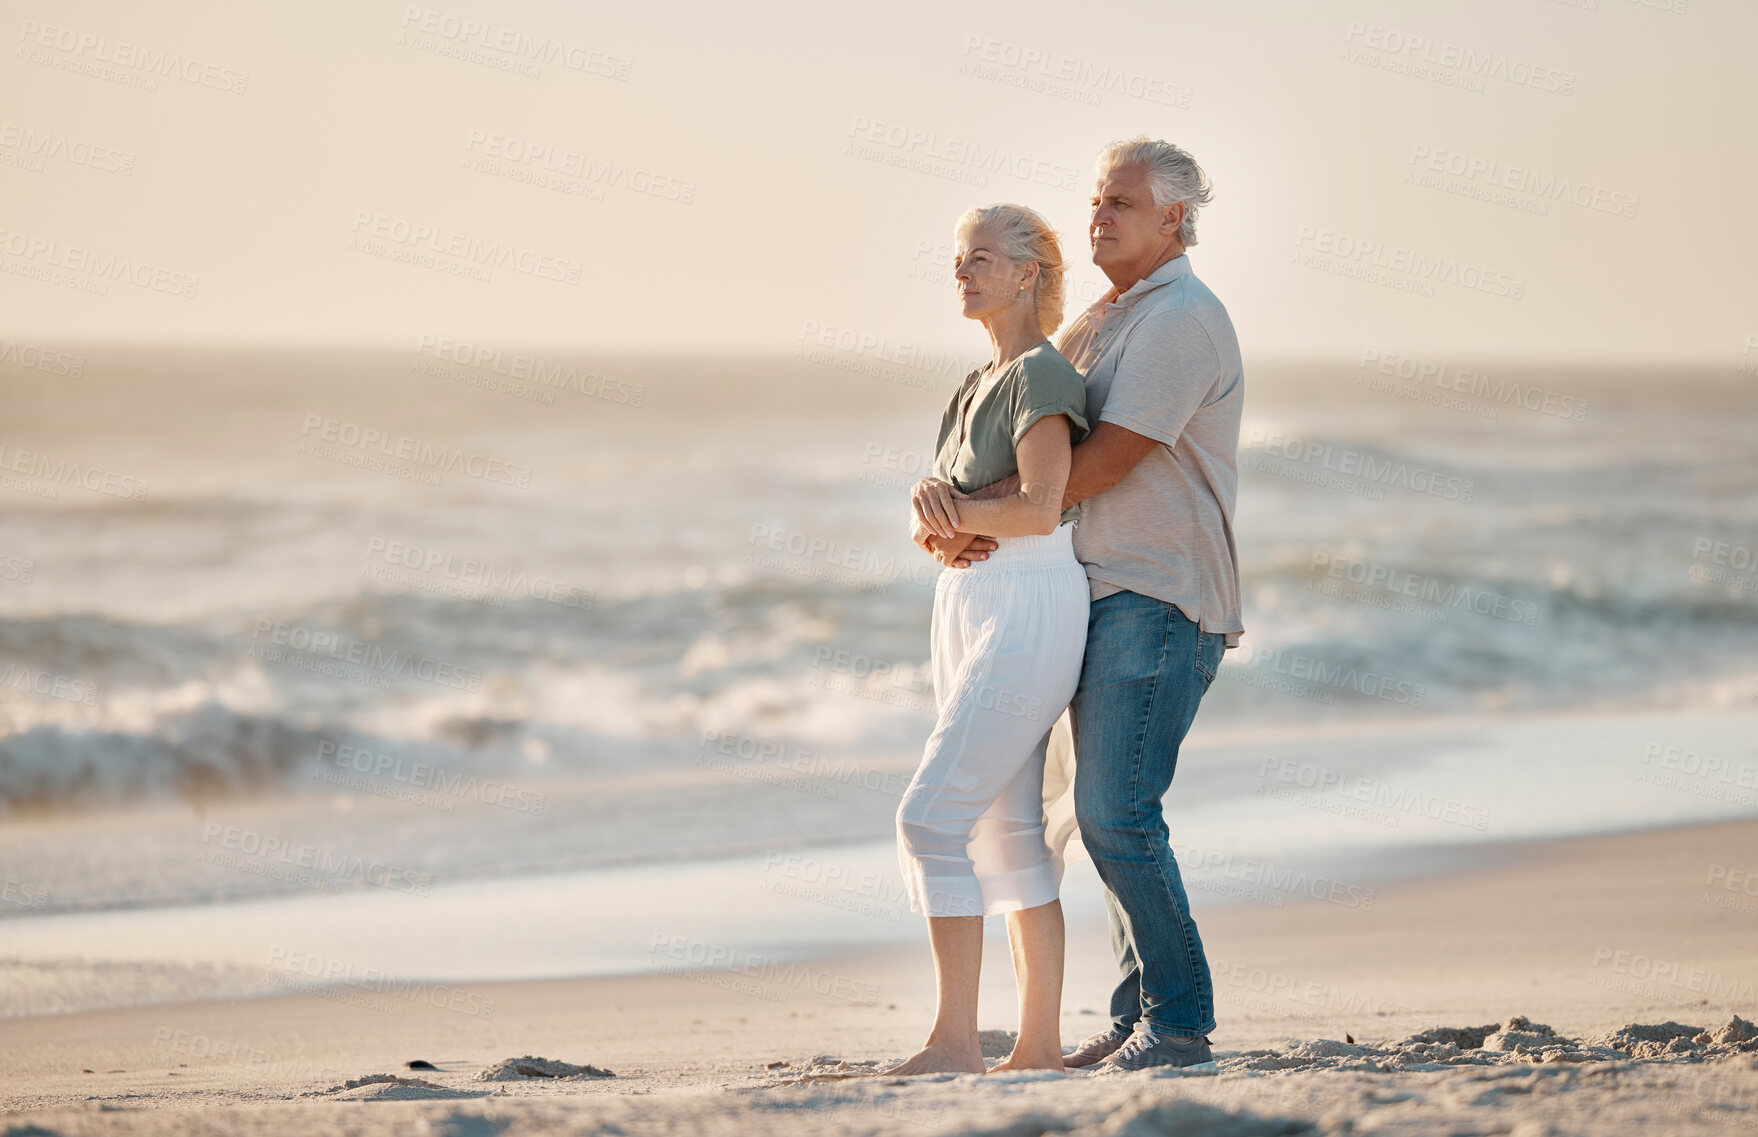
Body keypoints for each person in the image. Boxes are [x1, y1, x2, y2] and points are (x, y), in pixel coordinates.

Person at [922, 137, 1245, 1071]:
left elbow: (1099, 464)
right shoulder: (1102, 322)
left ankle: (1179, 1024)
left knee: (1116, 809)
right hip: (1092, 594)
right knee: (1084, 816)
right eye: (1097, 202)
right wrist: (949, 514)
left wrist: (981, 517)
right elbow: (1025, 461)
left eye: (1122, 204)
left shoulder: (1180, 318)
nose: (1098, 216)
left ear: (1174, 221)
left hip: (1160, 591)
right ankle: (1134, 1007)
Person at [887, 203, 1090, 1075]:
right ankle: (1037, 1048)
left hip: (1028, 601)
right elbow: (940, 510)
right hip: (970, 598)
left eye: (980, 258)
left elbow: (1041, 508)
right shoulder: (975, 384)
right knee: (1008, 834)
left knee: (930, 818)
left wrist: (958, 514)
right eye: (958, 258)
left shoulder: (1043, 376)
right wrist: (929, 520)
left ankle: (955, 1042)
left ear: (1028, 275)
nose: (961, 271)